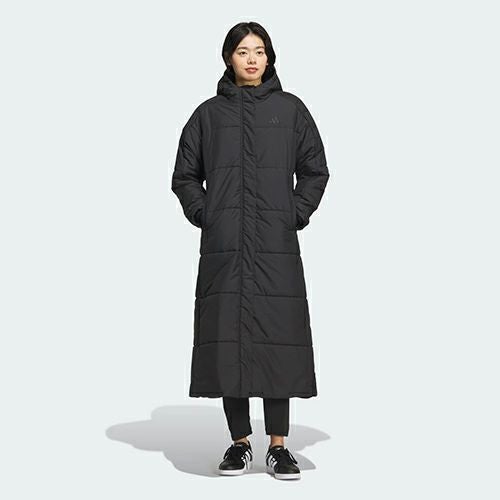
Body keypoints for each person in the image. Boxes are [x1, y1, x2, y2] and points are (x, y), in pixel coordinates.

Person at [171, 21, 330, 480]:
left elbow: (315, 170)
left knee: (278, 338)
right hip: (225, 246)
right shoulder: (207, 115)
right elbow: (184, 176)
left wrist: (293, 212)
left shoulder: (291, 110)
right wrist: (207, 213)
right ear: (229, 58)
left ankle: (279, 446)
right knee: (229, 337)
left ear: (270, 56)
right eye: (243, 51)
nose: (252, 59)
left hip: (275, 244)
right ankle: (239, 442)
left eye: (259, 50)